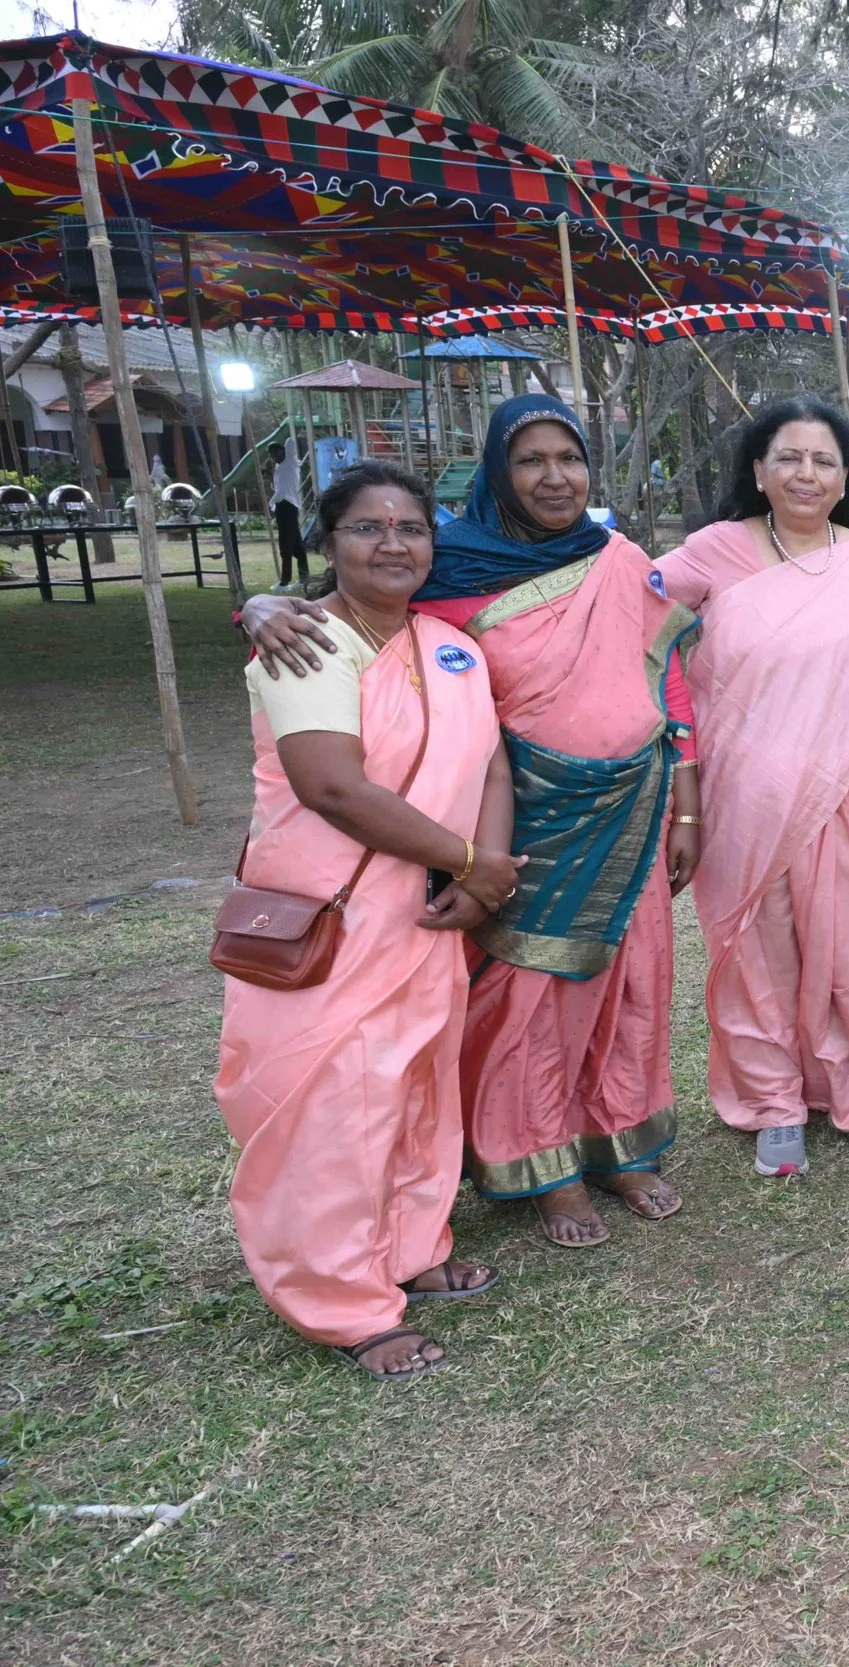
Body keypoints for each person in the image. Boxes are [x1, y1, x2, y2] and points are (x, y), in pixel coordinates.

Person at [242, 395, 699, 1249]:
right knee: (531, 995)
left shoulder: (620, 559)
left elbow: (666, 675)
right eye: (531, 460)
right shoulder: (446, 565)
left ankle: (621, 1141)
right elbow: (354, 599)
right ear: (497, 470)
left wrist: (690, 800)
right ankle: (543, 1162)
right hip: (524, 820)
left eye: (570, 457)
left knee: (630, 980)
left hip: (637, 806)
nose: (555, 477)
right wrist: (260, 602)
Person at [217, 461, 518, 1380]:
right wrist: (467, 860)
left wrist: (484, 872)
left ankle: (413, 1251)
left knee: (419, 1090)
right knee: (335, 1112)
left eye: (411, 527)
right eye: (367, 527)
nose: (393, 543)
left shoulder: (451, 646)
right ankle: (341, 1302)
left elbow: (491, 765)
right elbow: (333, 788)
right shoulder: (306, 641)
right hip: (334, 915)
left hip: (427, 914)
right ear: (328, 541)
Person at [655, 397, 849, 1177]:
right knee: (758, 944)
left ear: (846, 477)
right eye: (790, 458)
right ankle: (773, 1098)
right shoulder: (711, 552)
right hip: (745, 787)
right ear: (759, 470)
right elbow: (626, 632)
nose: (807, 473)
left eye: (824, 460)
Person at [271, 439, 308, 590]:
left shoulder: (290, 462)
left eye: (277, 453)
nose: (275, 457)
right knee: (297, 546)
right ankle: (304, 578)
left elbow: (291, 442)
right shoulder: (278, 467)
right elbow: (279, 488)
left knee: (285, 545)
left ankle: (284, 582)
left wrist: (286, 446)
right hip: (282, 506)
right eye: (272, 455)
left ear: (284, 451)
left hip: (288, 506)